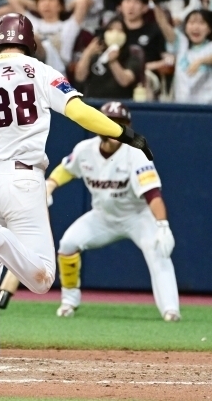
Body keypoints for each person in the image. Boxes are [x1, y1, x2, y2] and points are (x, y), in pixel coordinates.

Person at [0, 13, 154, 368]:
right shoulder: (41, 71)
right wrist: (125, 135)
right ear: (29, 42)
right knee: (43, 278)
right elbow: (80, 112)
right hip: (22, 179)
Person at [45, 101, 180, 321]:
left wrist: (162, 225)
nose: (113, 127)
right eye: (109, 121)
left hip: (137, 217)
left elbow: (153, 194)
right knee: (68, 243)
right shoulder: (85, 150)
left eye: (119, 123)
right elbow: (66, 169)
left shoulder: (135, 152)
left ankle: (171, 310)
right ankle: (69, 301)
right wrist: (50, 183)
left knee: (159, 250)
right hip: (103, 217)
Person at [149, 0, 212, 104]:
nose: (196, 27)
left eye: (201, 23)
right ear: (185, 27)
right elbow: (163, 24)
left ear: (209, 29)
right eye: (192, 22)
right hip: (182, 107)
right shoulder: (181, 44)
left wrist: (200, 61)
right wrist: (156, 3)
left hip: (209, 109)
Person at [7, 0, 89, 75]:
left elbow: (83, 0)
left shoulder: (68, 26)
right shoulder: (32, 22)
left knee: (30, 35)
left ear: (60, 5)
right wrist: (38, 6)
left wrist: (64, 7)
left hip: (57, 72)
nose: (46, 3)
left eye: (51, 0)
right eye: (42, 0)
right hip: (34, 71)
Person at [74, 16, 143, 99]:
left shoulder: (132, 57)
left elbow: (125, 81)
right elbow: (79, 77)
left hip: (120, 104)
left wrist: (113, 62)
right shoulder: (95, 55)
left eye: (120, 30)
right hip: (93, 104)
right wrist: (87, 53)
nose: (115, 34)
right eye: (110, 30)